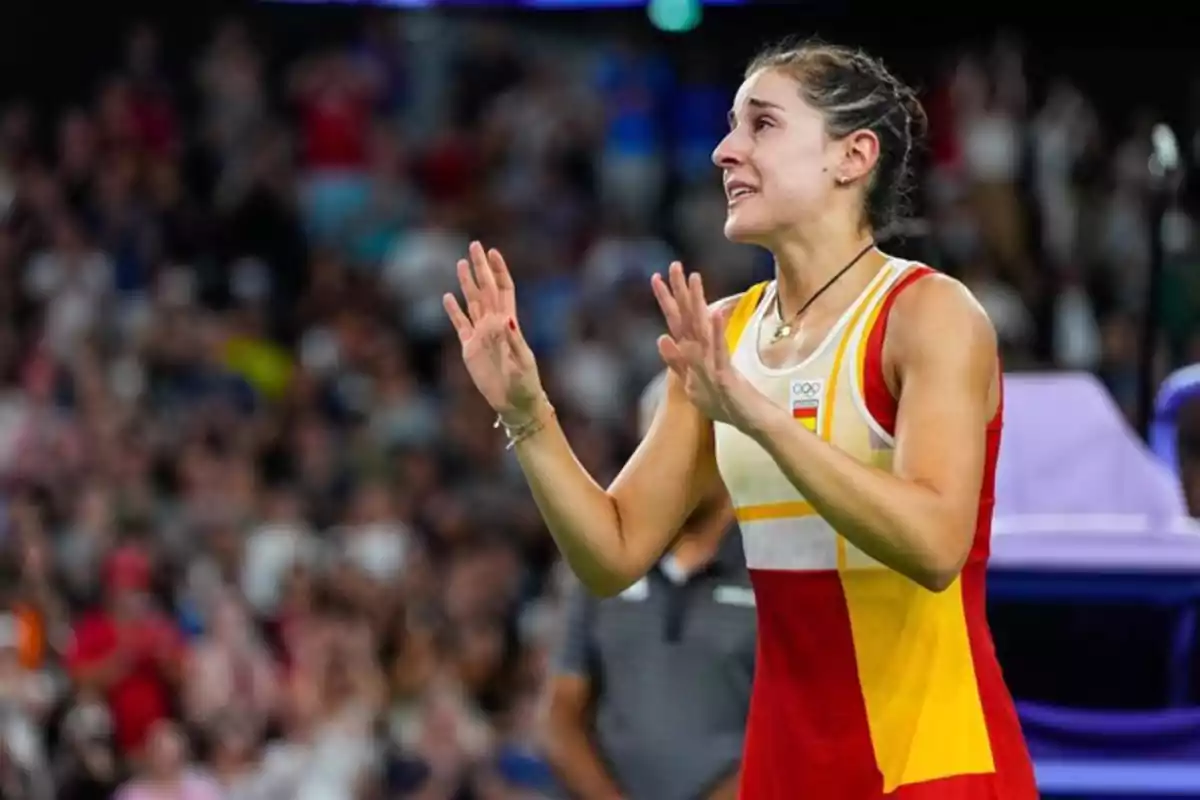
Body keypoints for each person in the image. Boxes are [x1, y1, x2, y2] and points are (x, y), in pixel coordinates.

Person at [444, 38, 1037, 800]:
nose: (726, 150)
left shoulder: (930, 315)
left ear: (852, 156)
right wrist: (529, 415)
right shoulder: (720, 336)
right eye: (730, 126)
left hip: (930, 765)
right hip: (781, 772)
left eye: (761, 125)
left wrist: (757, 416)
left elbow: (934, 544)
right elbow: (613, 553)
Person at [544, 371, 754, 800]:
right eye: (652, 446)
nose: (666, 466)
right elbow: (561, 711)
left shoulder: (771, 564)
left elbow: (800, 716)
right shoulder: (603, 565)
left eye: (682, 443)